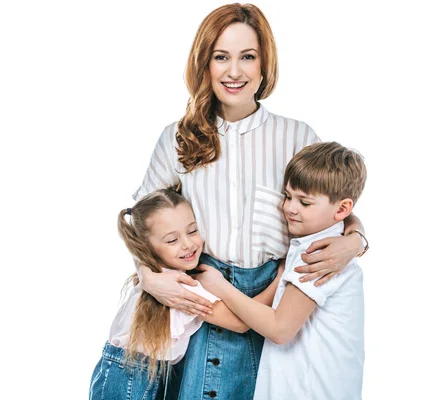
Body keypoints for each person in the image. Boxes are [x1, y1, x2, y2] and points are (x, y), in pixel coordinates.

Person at [133, 3, 369, 399]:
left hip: (280, 291)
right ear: (204, 64)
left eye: (248, 57)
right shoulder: (178, 137)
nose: (234, 72)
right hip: (211, 287)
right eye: (221, 57)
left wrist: (357, 240)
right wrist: (147, 274)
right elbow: (139, 220)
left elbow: (331, 203)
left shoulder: (295, 134)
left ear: (264, 65)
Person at [195, 141, 367, 399]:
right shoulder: (320, 242)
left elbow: (280, 329)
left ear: (342, 209)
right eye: (287, 196)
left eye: (304, 203)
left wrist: (220, 286)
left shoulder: (319, 255)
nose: (290, 208)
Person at [89, 188, 283, 400]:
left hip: (118, 372)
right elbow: (240, 323)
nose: (188, 244)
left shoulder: (158, 276)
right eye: (172, 240)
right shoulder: (179, 286)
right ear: (147, 247)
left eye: (192, 231)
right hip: (130, 382)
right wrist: (279, 280)